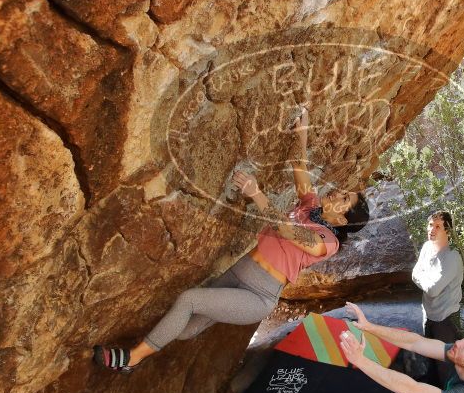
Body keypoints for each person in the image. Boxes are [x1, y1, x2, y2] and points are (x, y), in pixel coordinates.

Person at [94, 108, 370, 371]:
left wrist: (255, 192)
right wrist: (302, 131)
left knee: (189, 300)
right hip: (238, 271)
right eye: (341, 191)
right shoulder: (310, 206)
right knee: (187, 329)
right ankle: (156, 339)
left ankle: (132, 359)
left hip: (257, 295)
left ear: (344, 220)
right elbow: (299, 163)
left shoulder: (328, 242)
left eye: (344, 199)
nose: (336, 193)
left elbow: (287, 231)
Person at [412, 210, 464, 386]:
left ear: (447, 231)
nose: (432, 229)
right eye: (430, 225)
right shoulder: (427, 248)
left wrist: (424, 278)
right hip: (430, 315)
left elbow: (433, 290)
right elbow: (414, 274)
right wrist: (426, 279)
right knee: (431, 358)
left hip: (446, 319)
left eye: (438, 226)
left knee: (446, 365)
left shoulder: (452, 257)